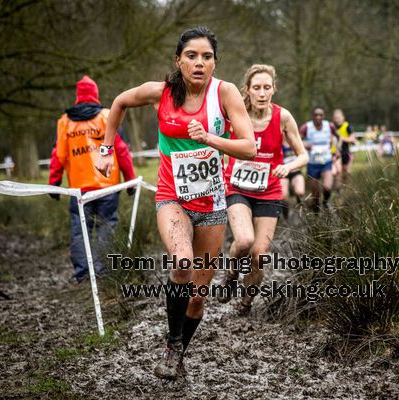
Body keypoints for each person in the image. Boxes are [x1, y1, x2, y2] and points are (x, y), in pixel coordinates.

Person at [94, 27, 255, 380]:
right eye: (192, 56)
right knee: (181, 264)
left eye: (207, 56)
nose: (199, 63)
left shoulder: (225, 93)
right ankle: (171, 345)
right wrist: (105, 150)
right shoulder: (161, 92)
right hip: (172, 197)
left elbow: (249, 146)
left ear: (215, 61)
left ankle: (180, 349)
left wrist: (211, 138)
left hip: (212, 202)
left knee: (198, 296)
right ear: (178, 60)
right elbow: (119, 101)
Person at [219, 64, 308, 314]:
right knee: (245, 240)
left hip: (268, 191)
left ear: (273, 89)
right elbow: (218, 143)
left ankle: (246, 304)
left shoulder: (283, 117)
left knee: (259, 254)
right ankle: (231, 273)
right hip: (236, 187)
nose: (261, 93)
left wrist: (288, 167)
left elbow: (303, 156)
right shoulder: (235, 115)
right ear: (246, 90)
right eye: (256, 87)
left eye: (266, 87)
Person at [49, 75, 136, 284]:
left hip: (79, 189)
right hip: (107, 186)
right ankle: (103, 270)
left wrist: (54, 183)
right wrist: (130, 179)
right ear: (95, 95)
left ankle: (82, 274)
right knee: (107, 227)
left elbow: (58, 155)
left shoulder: (65, 122)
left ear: (78, 97)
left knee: (80, 230)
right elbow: (122, 150)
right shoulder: (107, 116)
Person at [300, 107, 337, 212]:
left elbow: (336, 138)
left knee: (327, 188)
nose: (318, 117)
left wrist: (336, 151)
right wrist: (304, 144)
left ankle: (325, 203)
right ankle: (316, 214)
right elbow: (296, 140)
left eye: (320, 115)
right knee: (315, 194)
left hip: (326, 161)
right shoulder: (306, 127)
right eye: (316, 115)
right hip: (312, 163)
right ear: (312, 116)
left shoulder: (329, 126)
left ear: (323, 116)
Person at [281, 139, 306, 218]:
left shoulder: (297, 143)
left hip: (296, 172)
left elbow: (304, 157)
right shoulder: (278, 144)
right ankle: (286, 216)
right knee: (284, 196)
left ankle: (299, 208)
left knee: (300, 192)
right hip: (283, 172)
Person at [332, 109, 358, 185]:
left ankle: (346, 186)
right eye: (335, 118)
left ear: (343, 117)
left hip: (346, 152)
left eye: (339, 117)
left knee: (346, 171)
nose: (337, 119)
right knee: (338, 170)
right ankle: (338, 188)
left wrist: (342, 138)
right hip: (336, 152)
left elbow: (353, 139)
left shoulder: (347, 126)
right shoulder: (332, 127)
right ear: (333, 118)